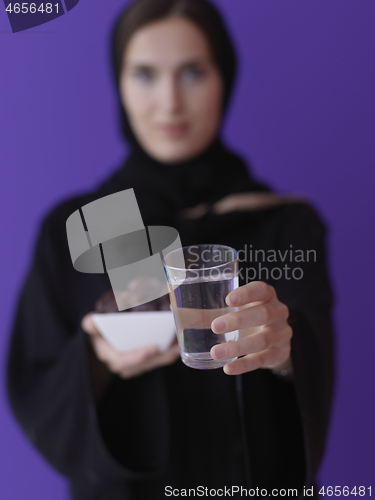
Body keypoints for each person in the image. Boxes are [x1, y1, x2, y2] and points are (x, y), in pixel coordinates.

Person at [6, 0, 335, 499]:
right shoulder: (85, 224)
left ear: (224, 77)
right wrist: (96, 360)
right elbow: (34, 382)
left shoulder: (283, 223)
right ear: (118, 83)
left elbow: (315, 378)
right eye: (144, 74)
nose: (169, 102)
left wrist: (286, 354)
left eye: (193, 72)